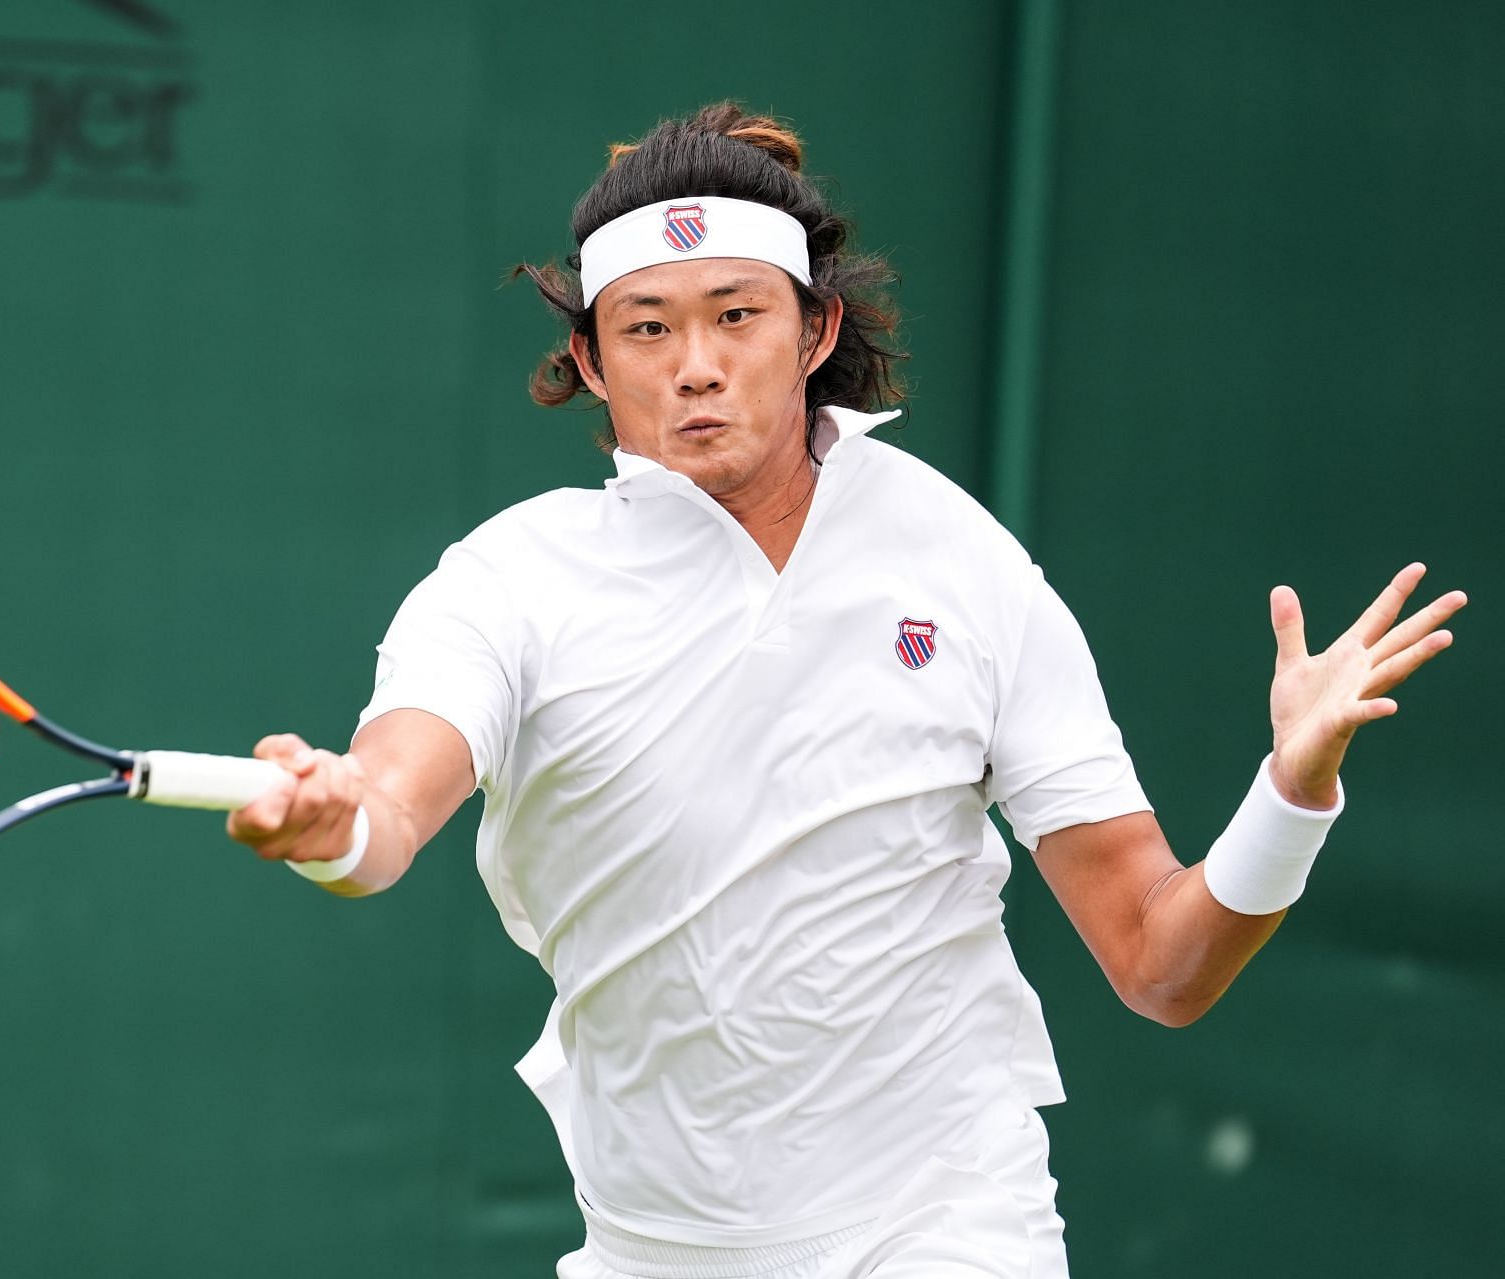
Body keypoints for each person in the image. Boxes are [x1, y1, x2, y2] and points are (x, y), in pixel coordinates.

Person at [226, 104, 1465, 1278]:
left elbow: (1163, 964)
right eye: (648, 328)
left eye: (736, 316)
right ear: (593, 365)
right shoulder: (509, 581)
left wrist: (1290, 794)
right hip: (657, 1241)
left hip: (945, 1214)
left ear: (815, 334)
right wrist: (336, 820)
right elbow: (388, 812)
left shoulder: (961, 560)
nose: (696, 367)